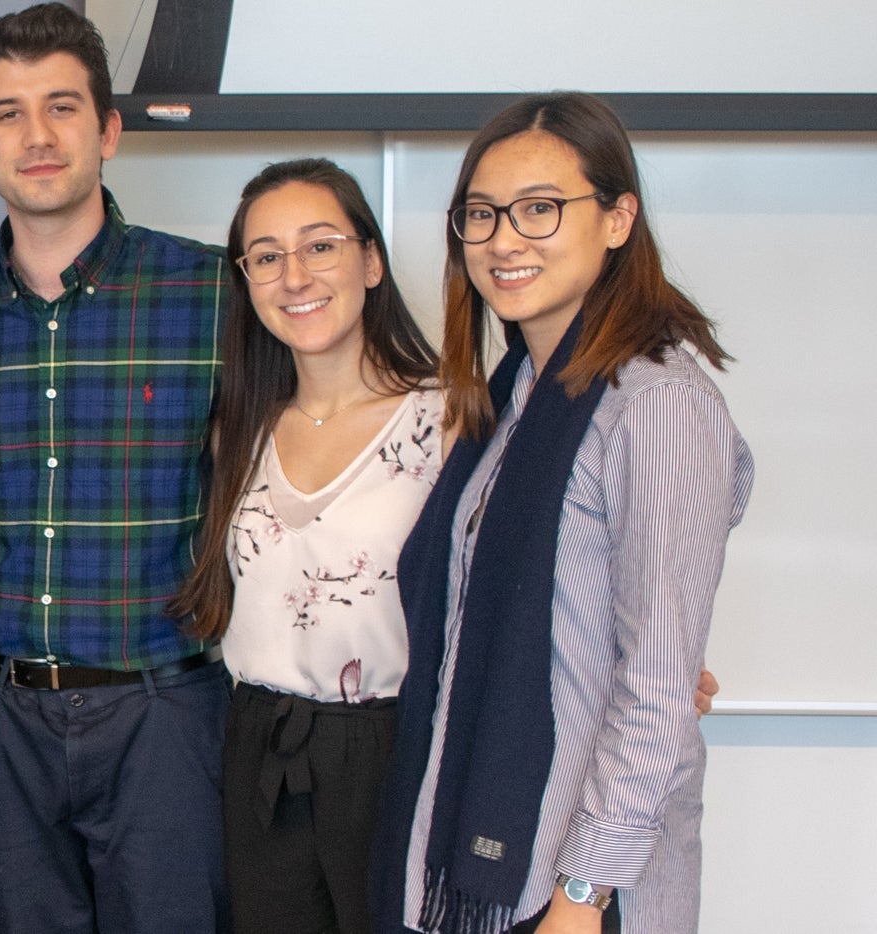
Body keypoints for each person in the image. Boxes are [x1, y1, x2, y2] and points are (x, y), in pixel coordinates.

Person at [372, 92, 753, 934]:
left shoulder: (656, 405)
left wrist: (583, 897)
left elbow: (655, 687)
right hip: (476, 870)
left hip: (577, 888)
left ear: (618, 219)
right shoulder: (509, 402)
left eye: (540, 209)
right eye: (482, 214)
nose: (505, 240)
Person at [0, 4, 232, 930]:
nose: (36, 136)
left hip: (164, 710)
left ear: (109, 130)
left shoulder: (211, 291)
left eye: (61, 108)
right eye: (8, 113)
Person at [168, 159, 440, 934]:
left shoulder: (449, 419)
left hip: (391, 749)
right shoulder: (241, 427)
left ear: (371, 260)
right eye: (266, 256)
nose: (294, 276)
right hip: (260, 743)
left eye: (320, 246)